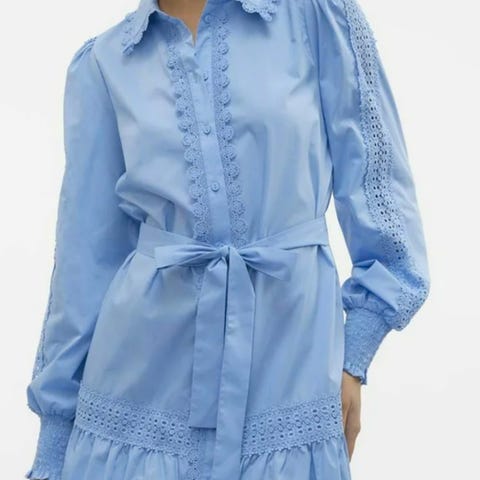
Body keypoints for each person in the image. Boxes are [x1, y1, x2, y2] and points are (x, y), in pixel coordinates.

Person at [25, 0, 430, 479]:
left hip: (291, 370)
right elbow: (84, 264)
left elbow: (380, 195)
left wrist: (355, 355)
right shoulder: (106, 61)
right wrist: (53, 445)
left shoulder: (315, 16)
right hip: (136, 399)